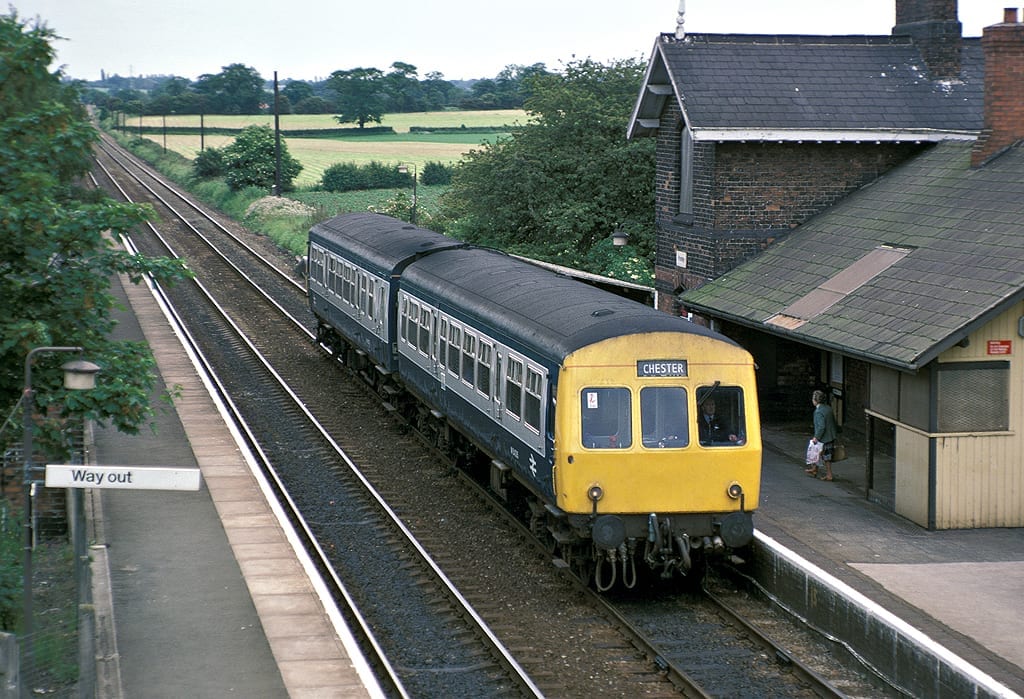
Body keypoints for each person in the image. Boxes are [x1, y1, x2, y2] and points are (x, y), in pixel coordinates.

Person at [806, 389, 838, 480]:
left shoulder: (818, 412)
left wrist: (816, 437)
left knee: (823, 455)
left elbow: (821, 426)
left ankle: (829, 475)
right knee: (820, 453)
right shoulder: (828, 408)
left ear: (815, 400)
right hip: (831, 435)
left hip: (824, 437)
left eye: (813, 399)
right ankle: (814, 469)